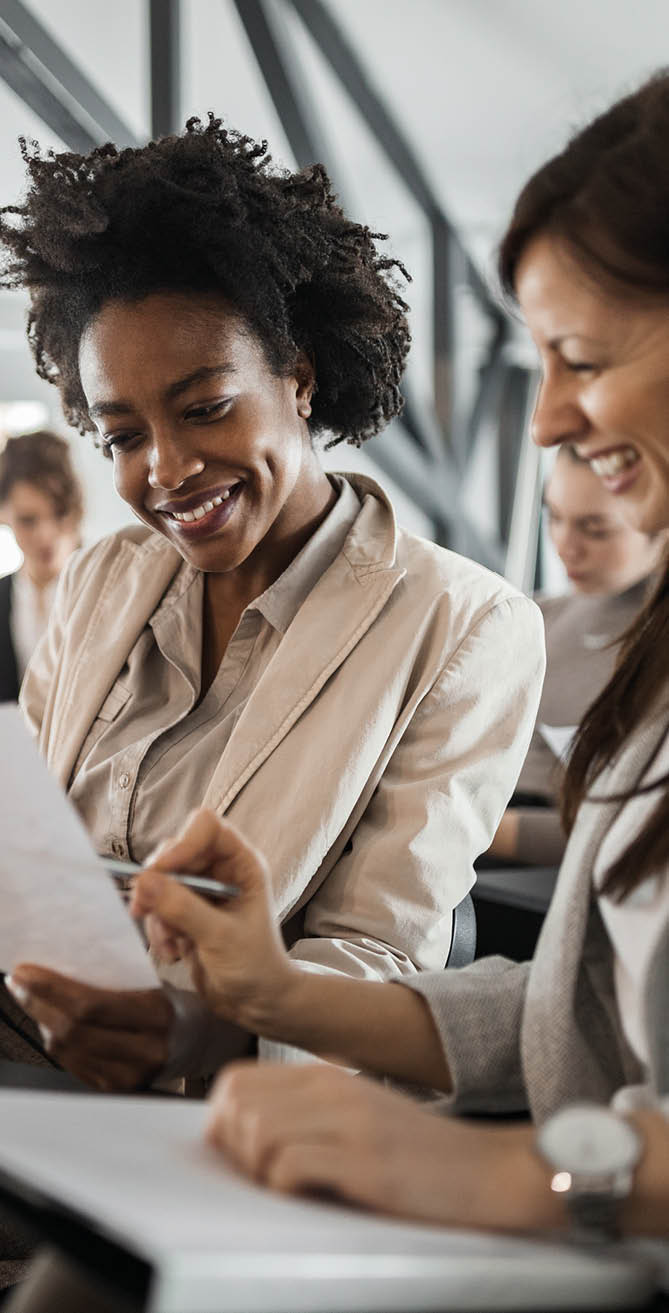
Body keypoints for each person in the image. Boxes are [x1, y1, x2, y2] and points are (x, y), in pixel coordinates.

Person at [109, 69, 669, 1249]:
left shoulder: (471, 621)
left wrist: (526, 1176)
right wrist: (272, 987)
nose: (547, 420)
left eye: (578, 354)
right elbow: (582, 1015)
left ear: (297, 385)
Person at [0, 118, 544, 1092]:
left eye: (205, 408)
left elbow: (381, 956)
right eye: (123, 435)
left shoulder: (463, 624)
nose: (165, 470)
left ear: (299, 378)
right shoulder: (103, 577)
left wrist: (200, 1034)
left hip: (215, 1103)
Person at [489, 442, 663, 866]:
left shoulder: (655, 650)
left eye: (596, 529)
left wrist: (471, 829)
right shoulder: (534, 615)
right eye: (555, 516)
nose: (566, 546)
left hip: (529, 874)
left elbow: (640, 834)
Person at [0, 431, 82, 702]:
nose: (46, 535)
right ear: (3, 513)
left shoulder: (114, 589)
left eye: (59, 513)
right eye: (28, 520)